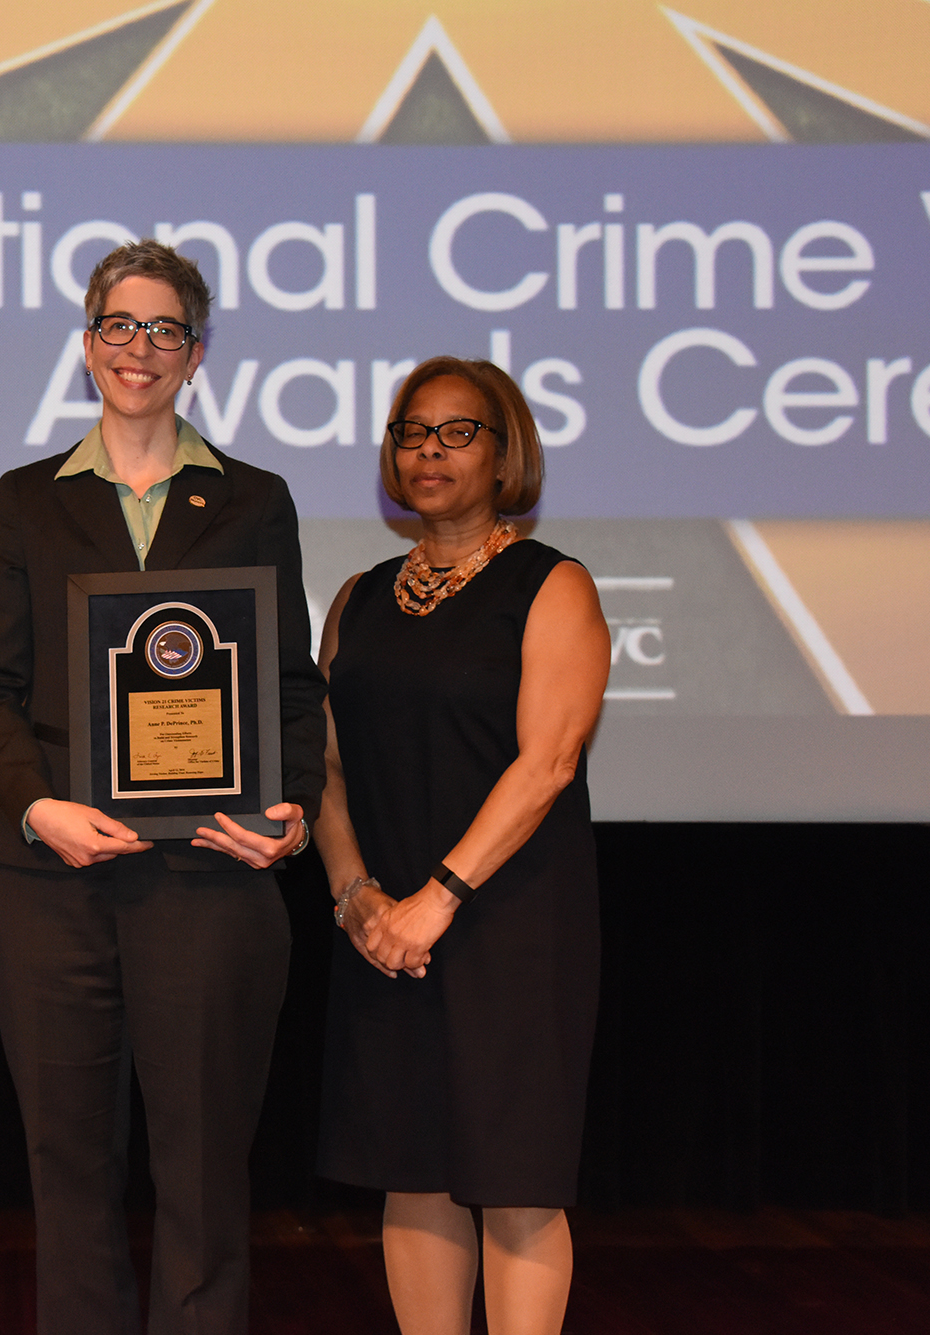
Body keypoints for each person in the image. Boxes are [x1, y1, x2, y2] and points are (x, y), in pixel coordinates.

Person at [0, 240, 326, 1335]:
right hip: (50, 884)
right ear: (87, 345)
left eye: (165, 329)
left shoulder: (253, 499)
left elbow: (288, 686)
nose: (140, 348)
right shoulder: (26, 500)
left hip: (209, 879)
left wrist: (293, 810)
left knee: (204, 1171)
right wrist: (36, 806)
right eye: (119, 325)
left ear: (195, 354)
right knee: (67, 1170)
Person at [313, 357, 609, 1335]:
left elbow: (548, 761)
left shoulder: (550, 584)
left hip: (508, 924)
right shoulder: (358, 598)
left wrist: (436, 898)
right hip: (384, 931)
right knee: (411, 1171)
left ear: (503, 452)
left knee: (516, 1179)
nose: (428, 450)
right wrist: (356, 898)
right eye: (411, 432)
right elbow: (323, 768)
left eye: (456, 432)